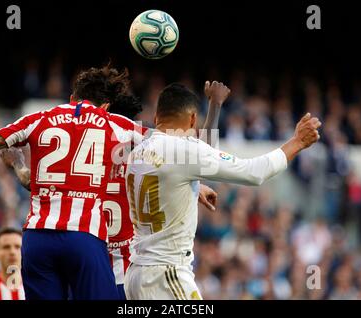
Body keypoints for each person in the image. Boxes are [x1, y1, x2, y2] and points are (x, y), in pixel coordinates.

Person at [0, 80, 229, 299]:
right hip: (123, 275)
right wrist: (215, 105)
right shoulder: (141, 168)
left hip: (82, 269)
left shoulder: (85, 173)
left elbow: (37, 185)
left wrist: (19, 165)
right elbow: (199, 157)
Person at [0, 64, 151, 300]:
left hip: (38, 240)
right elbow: (170, 146)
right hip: (84, 239)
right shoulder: (113, 123)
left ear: (71, 97)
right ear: (105, 106)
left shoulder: (40, 118)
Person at [124, 83, 322, 300]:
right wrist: (297, 142)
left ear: (156, 117)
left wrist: (215, 106)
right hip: (166, 274)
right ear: (192, 119)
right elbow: (254, 172)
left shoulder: (141, 149)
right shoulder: (184, 152)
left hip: (136, 274)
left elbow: (184, 167)